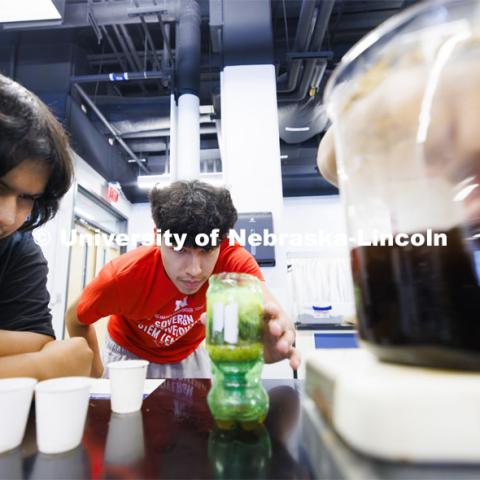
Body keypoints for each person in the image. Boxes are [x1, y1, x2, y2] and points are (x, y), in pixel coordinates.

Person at [67, 180, 300, 378]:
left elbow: (269, 306)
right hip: (128, 355)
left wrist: (279, 331)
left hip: (190, 354)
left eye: (207, 251)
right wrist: (96, 374)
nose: (195, 270)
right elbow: (75, 319)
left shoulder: (232, 260)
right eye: (180, 250)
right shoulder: (123, 276)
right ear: (158, 237)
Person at [0, 73, 93, 379]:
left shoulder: (18, 249)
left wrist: (42, 357)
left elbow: (37, 339)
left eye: (26, 197)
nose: (8, 217)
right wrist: (39, 367)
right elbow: (45, 357)